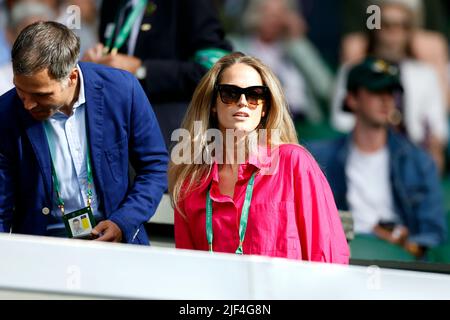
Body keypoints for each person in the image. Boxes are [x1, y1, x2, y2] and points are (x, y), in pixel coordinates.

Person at [169, 52, 349, 263]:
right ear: (213, 105)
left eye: (254, 94)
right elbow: (189, 272)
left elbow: (328, 257)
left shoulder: (293, 162)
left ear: (265, 108)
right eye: (230, 93)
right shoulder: (190, 184)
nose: (243, 102)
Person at [0, 21, 168, 244]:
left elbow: (155, 167)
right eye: (21, 91)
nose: (28, 104)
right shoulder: (6, 112)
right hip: (41, 248)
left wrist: (123, 221)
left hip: (117, 241)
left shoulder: (122, 90)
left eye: (41, 95)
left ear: (71, 77)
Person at [308, 57, 447, 258]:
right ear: (352, 99)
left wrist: (405, 243)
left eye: (390, 92)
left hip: (398, 261)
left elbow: (434, 235)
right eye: (375, 91)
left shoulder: (419, 162)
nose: (386, 100)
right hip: (339, 255)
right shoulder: (320, 158)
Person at [83, 0, 232, 148]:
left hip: (171, 137)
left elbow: (216, 69)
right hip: (115, 133)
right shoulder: (111, 4)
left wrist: (142, 70)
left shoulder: (190, 4)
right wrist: (93, 64)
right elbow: (113, 55)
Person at [332, 0, 448, 173]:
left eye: (402, 26)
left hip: (412, 159)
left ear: (410, 32)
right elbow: (341, 121)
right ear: (375, 28)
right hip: (363, 158)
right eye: (387, 25)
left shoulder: (425, 74)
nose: (394, 32)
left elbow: (437, 128)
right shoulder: (354, 71)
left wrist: (431, 154)